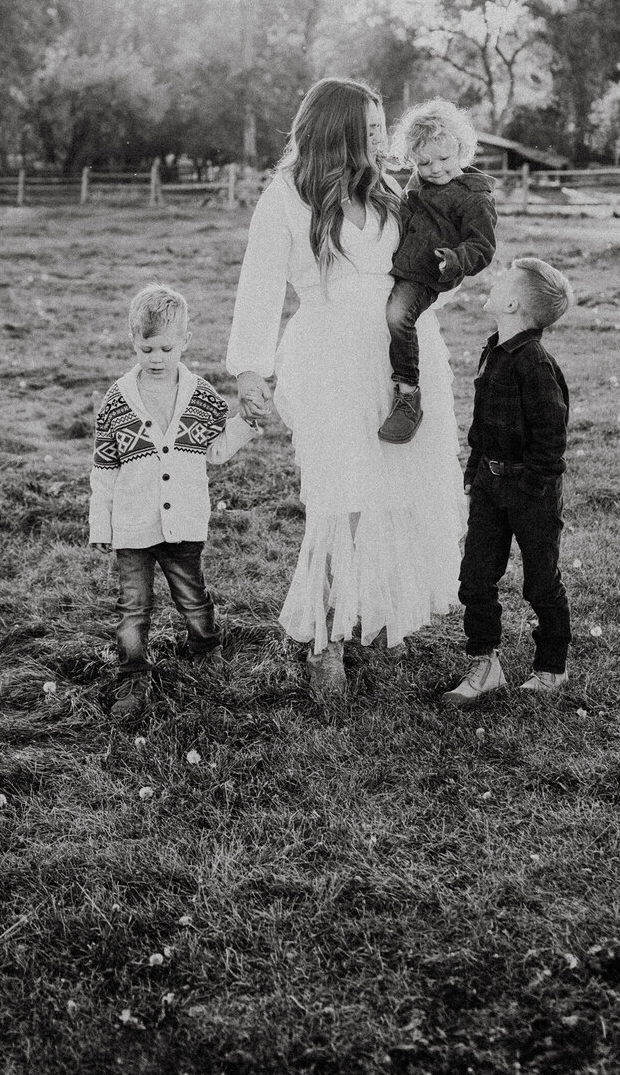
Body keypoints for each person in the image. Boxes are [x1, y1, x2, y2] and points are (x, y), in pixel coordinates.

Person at [226, 77, 467, 700]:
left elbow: (430, 260)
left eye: (383, 127)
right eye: (371, 129)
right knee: (341, 494)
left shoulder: (392, 190)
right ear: (336, 131)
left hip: (401, 359)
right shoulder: (287, 196)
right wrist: (251, 368)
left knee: (390, 492)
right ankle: (323, 640)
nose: (384, 139)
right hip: (330, 357)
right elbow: (259, 282)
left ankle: (362, 611)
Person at [89, 283, 256, 699]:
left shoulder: (201, 396)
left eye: (166, 348)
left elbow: (215, 450)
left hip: (183, 521)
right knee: (133, 608)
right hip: (132, 526)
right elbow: (104, 467)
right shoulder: (117, 400)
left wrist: (244, 423)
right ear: (133, 342)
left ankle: (205, 648)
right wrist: (100, 524)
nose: (157, 358)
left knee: (193, 596)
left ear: (185, 341)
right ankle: (133, 676)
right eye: (147, 350)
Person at [443, 256, 573, 708]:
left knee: (541, 583)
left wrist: (532, 488)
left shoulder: (535, 364)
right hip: (488, 487)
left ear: (513, 302)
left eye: (503, 280)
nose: (493, 282)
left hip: (530, 493)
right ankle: (485, 664)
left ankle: (551, 667)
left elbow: (551, 439)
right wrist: (475, 471)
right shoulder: (494, 349)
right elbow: (482, 424)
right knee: (475, 578)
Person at [378, 98, 497, 444]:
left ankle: (408, 393)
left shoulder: (473, 197)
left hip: (428, 273)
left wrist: (454, 259)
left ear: (461, 148)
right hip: (402, 264)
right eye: (424, 162)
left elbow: (483, 246)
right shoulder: (420, 182)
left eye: (444, 159)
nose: (436, 169)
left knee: (398, 315)